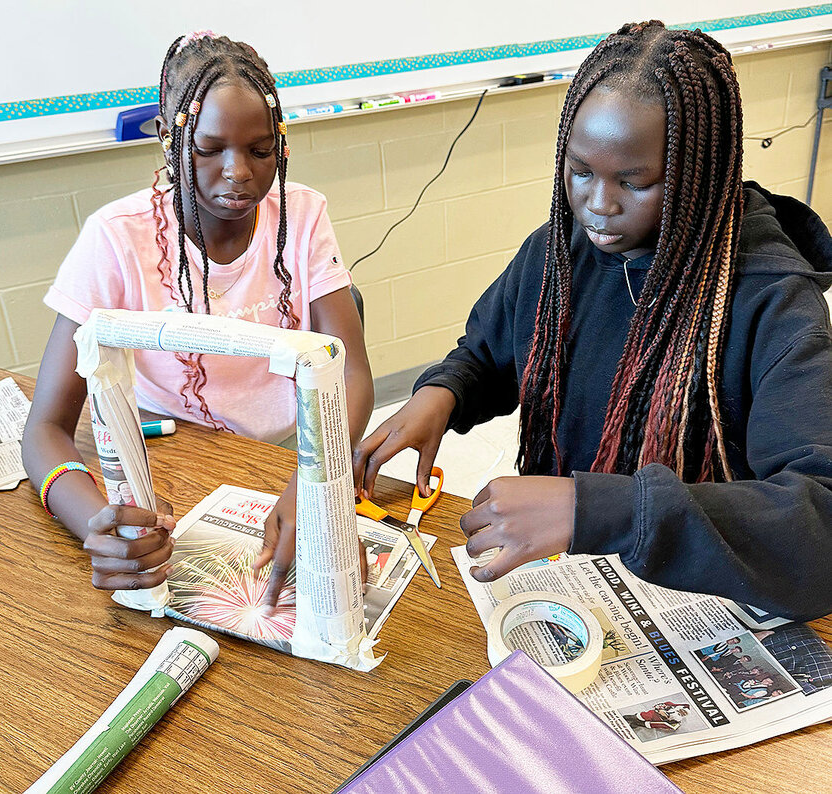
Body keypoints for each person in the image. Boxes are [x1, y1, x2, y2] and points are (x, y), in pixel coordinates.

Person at [353, 21, 832, 621]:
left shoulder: (772, 301)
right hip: (569, 586)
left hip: (698, 602)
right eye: (580, 171)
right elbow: (489, 353)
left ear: (700, 172)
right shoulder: (562, 251)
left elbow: (819, 523)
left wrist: (596, 510)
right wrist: (443, 394)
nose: (599, 204)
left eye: (635, 182)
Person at [22, 32, 373, 609]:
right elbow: (45, 430)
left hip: (291, 452)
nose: (238, 173)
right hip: (174, 455)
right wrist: (97, 525)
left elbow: (350, 373)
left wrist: (316, 485)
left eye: (260, 151)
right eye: (209, 149)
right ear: (169, 137)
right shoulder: (117, 238)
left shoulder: (303, 215)